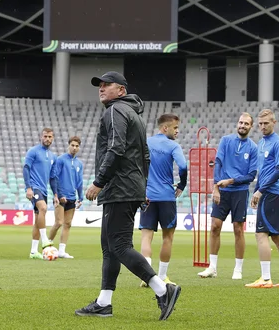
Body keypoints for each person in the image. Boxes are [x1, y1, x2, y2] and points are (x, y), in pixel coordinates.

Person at [76, 71, 180, 321]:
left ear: (120, 90)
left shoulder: (115, 111)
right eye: (99, 85)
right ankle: (104, 302)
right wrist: (141, 188)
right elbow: (145, 156)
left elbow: (116, 147)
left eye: (106, 85)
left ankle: (163, 289)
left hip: (118, 187)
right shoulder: (133, 113)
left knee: (119, 246)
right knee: (110, 248)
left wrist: (99, 182)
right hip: (129, 187)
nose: (101, 88)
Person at [198, 112, 258, 280]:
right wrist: (216, 187)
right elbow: (218, 163)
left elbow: (251, 175)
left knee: (238, 229)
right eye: (241, 122)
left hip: (239, 192)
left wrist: (231, 181)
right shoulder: (226, 140)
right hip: (222, 191)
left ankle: (238, 269)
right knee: (215, 226)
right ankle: (212, 267)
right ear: (237, 124)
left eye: (246, 124)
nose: (242, 126)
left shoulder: (253, 147)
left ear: (251, 127)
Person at [246, 108, 279, 289]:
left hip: (271, 194)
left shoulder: (278, 144)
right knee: (277, 236)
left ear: (274, 123)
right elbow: (262, 171)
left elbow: (278, 170)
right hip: (267, 193)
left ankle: (266, 279)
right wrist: (257, 190)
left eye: (266, 123)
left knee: (261, 234)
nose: (262, 126)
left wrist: (261, 191)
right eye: (260, 124)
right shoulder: (261, 143)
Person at [140, 114, 187, 287]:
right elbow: (183, 166)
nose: (178, 131)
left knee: (146, 237)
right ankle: (162, 276)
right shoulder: (173, 146)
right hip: (167, 196)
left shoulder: (146, 143)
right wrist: (182, 184)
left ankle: (146, 277)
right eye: (175, 128)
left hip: (147, 196)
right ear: (165, 128)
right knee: (168, 237)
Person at [47, 136, 84, 259]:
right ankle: (47, 247)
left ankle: (62, 251)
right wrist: (59, 194)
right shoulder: (61, 160)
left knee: (68, 224)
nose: (74, 148)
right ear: (69, 145)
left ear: (79, 147)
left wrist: (81, 197)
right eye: (72, 145)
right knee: (58, 223)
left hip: (72, 197)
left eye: (77, 146)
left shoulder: (79, 163)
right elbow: (55, 177)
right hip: (61, 197)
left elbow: (79, 182)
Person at [24, 127, 57, 259]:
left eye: (49, 137)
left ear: (52, 138)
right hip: (34, 187)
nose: (47, 139)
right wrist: (28, 188)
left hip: (44, 189)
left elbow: (53, 177)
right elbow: (26, 168)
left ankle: (33, 252)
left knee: (38, 219)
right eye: (45, 136)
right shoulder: (33, 151)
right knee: (43, 208)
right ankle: (45, 241)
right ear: (41, 137)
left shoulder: (53, 156)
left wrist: (55, 194)